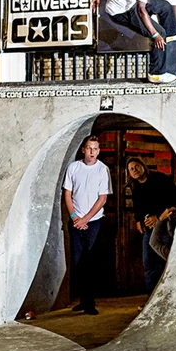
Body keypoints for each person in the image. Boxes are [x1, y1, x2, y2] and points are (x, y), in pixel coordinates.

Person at [62, 135, 113, 315]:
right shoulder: (73, 167)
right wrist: (75, 217)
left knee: (90, 262)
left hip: (94, 222)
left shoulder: (102, 170)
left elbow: (103, 198)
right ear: (83, 149)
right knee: (77, 262)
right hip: (76, 221)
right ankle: (83, 300)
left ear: (99, 151)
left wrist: (85, 219)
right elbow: (67, 194)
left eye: (96, 149)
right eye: (89, 148)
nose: (92, 152)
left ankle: (90, 302)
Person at [126, 157, 176, 296]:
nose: (135, 170)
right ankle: (151, 300)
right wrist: (138, 220)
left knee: (166, 263)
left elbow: (174, 199)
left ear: (143, 165)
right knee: (149, 265)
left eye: (136, 166)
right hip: (149, 230)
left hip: (165, 227)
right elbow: (137, 207)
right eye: (131, 169)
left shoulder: (160, 179)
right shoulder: (135, 186)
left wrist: (157, 216)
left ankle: (170, 297)